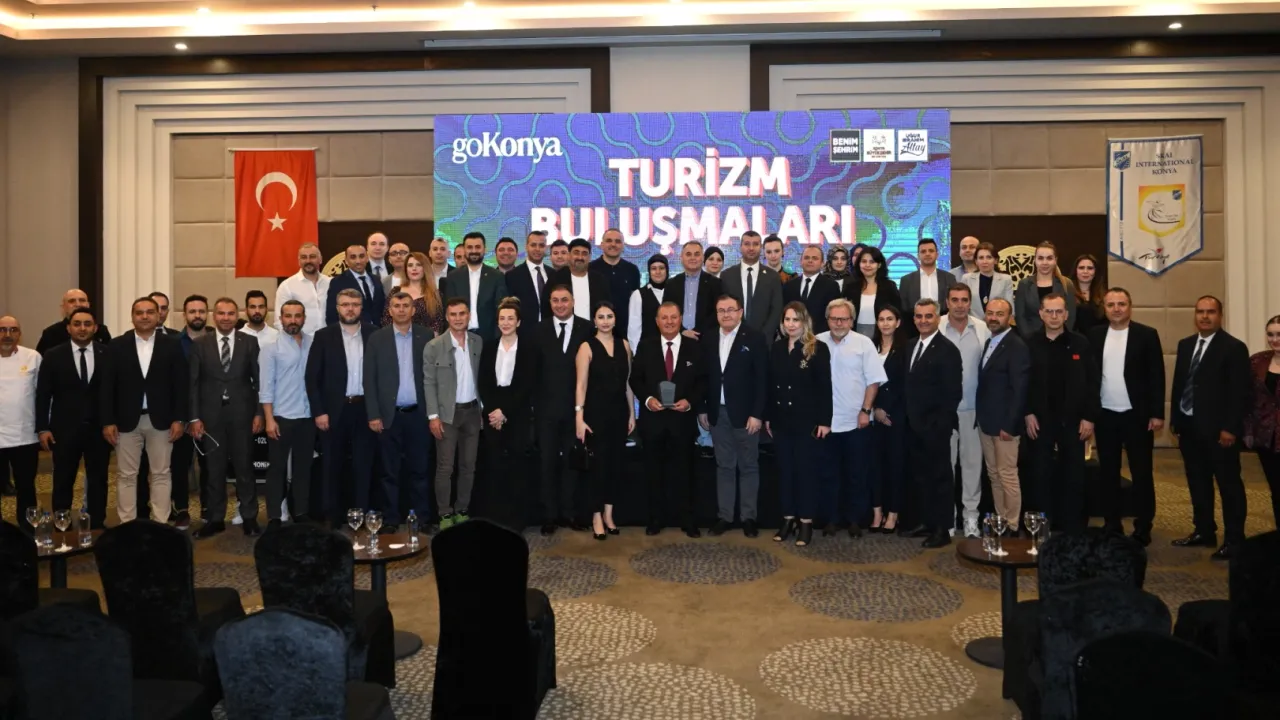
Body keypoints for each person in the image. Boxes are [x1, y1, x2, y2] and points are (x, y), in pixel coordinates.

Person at [1169, 295, 1250, 560]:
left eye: (1211, 312)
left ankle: (1235, 540)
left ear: (1220, 315)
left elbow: (1239, 393)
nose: (1205, 316)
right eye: (1200, 311)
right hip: (1189, 427)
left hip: (1219, 432)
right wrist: (1176, 420)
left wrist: (1230, 428)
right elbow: (1180, 384)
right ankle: (1204, 530)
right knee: (1197, 481)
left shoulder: (1234, 348)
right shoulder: (1186, 345)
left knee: (1228, 485)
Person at [100, 297, 188, 524]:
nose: (145, 316)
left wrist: (180, 418)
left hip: (162, 421)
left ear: (159, 315)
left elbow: (181, 385)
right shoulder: (117, 346)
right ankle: (127, 525)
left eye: (150, 312)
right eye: (139, 313)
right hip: (125, 422)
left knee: (161, 473)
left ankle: (160, 523)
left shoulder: (172, 345)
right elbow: (107, 386)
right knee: (126, 476)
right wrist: (107, 421)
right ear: (132, 317)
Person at [1088, 288, 1165, 545]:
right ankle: (1112, 524)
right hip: (1105, 415)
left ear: (1130, 307)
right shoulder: (1095, 335)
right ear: (1105, 308)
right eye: (1111, 305)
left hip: (1138, 416)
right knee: (1108, 473)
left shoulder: (1147, 335)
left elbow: (1156, 375)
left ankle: (1143, 526)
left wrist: (1157, 413)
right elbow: (1090, 376)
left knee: (1141, 473)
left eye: (1121, 304)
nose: (1116, 309)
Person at [1024, 293, 1098, 534]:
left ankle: (1073, 528)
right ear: (1041, 314)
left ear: (1066, 315)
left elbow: (1092, 382)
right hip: (1039, 422)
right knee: (1040, 476)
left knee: (1074, 476)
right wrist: (1027, 413)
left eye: (1058, 312)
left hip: (1074, 422)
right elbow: (1024, 383)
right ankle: (1042, 528)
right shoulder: (1029, 343)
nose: (1054, 316)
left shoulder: (1081, 344)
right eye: (1049, 311)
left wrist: (1089, 417)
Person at [189, 297, 263, 537]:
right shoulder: (200, 344)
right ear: (214, 315)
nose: (226, 318)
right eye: (221, 313)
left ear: (237, 315)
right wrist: (194, 418)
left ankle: (249, 517)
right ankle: (215, 519)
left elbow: (258, 380)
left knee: (245, 468)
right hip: (210, 417)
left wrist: (259, 413)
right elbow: (193, 383)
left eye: (231, 313)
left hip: (243, 415)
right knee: (214, 470)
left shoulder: (249, 342)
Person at [630, 301, 704, 537]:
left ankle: (687, 520)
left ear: (681, 319)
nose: (669, 322)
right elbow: (635, 379)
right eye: (664, 317)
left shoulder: (694, 347)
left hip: (682, 422)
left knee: (685, 473)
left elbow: (703, 381)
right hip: (653, 421)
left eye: (673, 317)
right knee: (653, 474)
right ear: (657, 321)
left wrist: (690, 401)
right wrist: (648, 399)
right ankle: (655, 519)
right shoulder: (646, 346)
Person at [305, 289, 378, 526]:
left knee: (363, 465)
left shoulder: (374, 334)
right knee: (331, 464)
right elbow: (312, 378)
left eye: (355, 304)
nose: (350, 308)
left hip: (365, 409)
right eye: (345, 304)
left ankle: (363, 514)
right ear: (337, 308)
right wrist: (319, 411)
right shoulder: (323, 336)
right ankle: (333, 516)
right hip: (333, 411)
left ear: (361, 307)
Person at [699, 295, 768, 537]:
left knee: (749, 466)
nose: (726, 314)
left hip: (746, 415)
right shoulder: (708, 338)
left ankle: (748, 518)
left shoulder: (755, 338)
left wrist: (757, 414)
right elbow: (703, 377)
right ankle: (725, 517)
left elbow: (762, 379)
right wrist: (702, 408)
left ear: (740, 312)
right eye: (721, 310)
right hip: (717, 414)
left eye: (731, 310)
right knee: (724, 466)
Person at [365, 292, 433, 534]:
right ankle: (391, 519)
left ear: (413, 310)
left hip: (419, 415)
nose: (402, 309)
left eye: (406, 305)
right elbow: (369, 380)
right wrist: (373, 414)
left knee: (420, 470)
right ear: (390, 310)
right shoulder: (377, 338)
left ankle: (422, 518)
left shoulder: (426, 336)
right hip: (388, 416)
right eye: (397, 305)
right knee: (389, 471)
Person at [816, 298, 885, 538]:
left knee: (857, 474)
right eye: (834, 318)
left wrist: (866, 411)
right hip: (826, 423)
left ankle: (855, 520)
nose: (839, 323)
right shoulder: (816, 342)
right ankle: (832, 519)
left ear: (852, 320)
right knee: (828, 474)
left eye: (843, 319)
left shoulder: (864, 343)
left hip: (857, 422)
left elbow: (873, 380)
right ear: (827, 319)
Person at [35, 308, 111, 526]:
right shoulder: (53, 355)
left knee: (99, 480)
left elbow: (114, 391)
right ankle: (62, 524)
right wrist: (43, 427)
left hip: (99, 430)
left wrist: (112, 422)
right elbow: (43, 395)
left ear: (95, 328)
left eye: (87, 324)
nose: (82, 328)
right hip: (64, 430)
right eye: (77, 324)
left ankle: (97, 525)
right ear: (68, 328)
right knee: (63, 479)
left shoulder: (107, 353)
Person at [768, 302, 833, 546]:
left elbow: (825, 387)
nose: (791, 324)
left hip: (807, 422)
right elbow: (770, 384)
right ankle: (788, 519)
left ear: (805, 322)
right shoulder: (777, 347)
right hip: (781, 420)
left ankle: (805, 521)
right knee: (785, 472)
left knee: (806, 473)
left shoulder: (817, 348)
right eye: (787, 319)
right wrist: (768, 416)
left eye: (796, 320)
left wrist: (824, 421)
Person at [902, 300, 963, 548]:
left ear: (938, 318)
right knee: (921, 477)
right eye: (919, 316)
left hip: (935, 427)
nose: (923, 321)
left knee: (940, 479)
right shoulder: (910, 345)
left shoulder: (948, 350)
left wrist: (939, 424)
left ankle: (942, 529)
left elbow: (953, 393)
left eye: (928, 316)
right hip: (912, 426)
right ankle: (927, 521)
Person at [535, 285, 593, 534]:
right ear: (550, 303)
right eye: (555, 300)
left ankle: (569, 513)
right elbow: (533, 370)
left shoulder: (587, 328)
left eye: (564, 300)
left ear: (573, 301)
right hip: (545, 410)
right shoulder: (538, 330)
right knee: (547, 463)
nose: (560, 305)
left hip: (576, 410)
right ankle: (549, 515)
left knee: (572, 463)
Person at [574, 301, 635, 540]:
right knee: (597, 468)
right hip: (595, 415)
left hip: (619, 414)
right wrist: (579, 417)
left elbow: (628, 383)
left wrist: (632, 413)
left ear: (615, 319)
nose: (606, 321)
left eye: (610, 316)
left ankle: (609, 514)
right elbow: (581, 385)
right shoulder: (586, 347)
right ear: (594, 320)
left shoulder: (625, 345)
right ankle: (596, 516)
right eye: (601, 316)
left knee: (615, 466)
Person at [478, 297, 539, 530]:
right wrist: (494, 411)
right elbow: (484, 382)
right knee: (495, 467)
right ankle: (496, 518)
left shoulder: (528, 348)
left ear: (519, 322)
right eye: (502, 318)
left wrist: (505, 412)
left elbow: (527, 384)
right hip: (492, 413)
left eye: (510, 318)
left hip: (517, 413)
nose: (506, 322)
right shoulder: (489, 346)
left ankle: (516, 519)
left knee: (517, 468)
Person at [424, 298, 483, 530]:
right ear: (447, 317)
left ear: (469, 316)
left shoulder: (478, 342)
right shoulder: (434, 346)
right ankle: (444, 513)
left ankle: (462, 509)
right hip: (447, 416)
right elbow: (428, 383)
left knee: (469, 465)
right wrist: (433, 416)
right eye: (453, 314)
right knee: (445, 467)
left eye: (462, 313)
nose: (458, 318)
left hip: (472, 413)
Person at [258, 300, 316, 528]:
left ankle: (300, 511)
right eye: (288, 316)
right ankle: (274, 515)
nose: (293, 320)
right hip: (281, 417)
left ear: (304, 318)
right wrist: (269, 419)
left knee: (303, 468)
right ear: (281, 319)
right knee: (277, 469)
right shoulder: (271, 348)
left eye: (297, 316)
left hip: (307, 416)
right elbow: (265, 386)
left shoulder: (313, 343)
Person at [975, 298, 1030, 536]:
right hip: (987, 423)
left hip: (1005, 426)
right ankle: (1001, 521)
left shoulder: (1016, 346)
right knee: (994, 475)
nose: (994, 318)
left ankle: (1013, 525)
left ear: (1010, 317)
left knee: (1007, 475)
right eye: (990, 313)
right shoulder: (991, 341)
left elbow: (1020, 389)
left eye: (1000, 314)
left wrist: (1009, 424)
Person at [941, 284, 991, 536]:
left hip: (973, 410)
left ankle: (971, 517)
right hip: (944, 412)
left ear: (970, 303)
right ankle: (947, 518)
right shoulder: (937, 327)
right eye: (955, 300)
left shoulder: (982, 328)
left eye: (964, 300)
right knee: (945, 468)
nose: (959, 305)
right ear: (947, 302)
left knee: (972, 467)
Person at [0, 316, 41, 530]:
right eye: (2, 330)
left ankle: (27, 531)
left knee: (26, 486)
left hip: (25, 435)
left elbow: (44, 395)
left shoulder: (32, 357)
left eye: (13, 330)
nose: (7, 335)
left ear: (20, 333)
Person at [871, 305, 908, 534]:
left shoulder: (905, 349)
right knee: (875, 466)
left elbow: (904, 384)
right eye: (881, 319)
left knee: (895, 465)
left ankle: (893, 513)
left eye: (890, 319)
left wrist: (886, 410)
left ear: (898, 322)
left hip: (896, 417)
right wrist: (874, 408)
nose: (885, 323)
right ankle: (877, 512)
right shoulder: (870, 346)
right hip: (872, 416)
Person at [1243, 315, 1280, 526]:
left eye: (1279, 335)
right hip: (1266, 437)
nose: (1275, 340)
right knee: (1276, 489)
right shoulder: (1257, 361)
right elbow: (1248, 399)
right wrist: (1248, 430)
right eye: (1270, 334)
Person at [442, 232, 508, 342]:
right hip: (460, 336)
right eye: (469, 247)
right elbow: (448, 308)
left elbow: (501, 308)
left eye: (477, 247)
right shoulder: (453, 277)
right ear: (464, 250)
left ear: (484, 249)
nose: (474, 251)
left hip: (490, 338)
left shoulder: (496, 276)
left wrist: (498, 335)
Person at [721, 230, 783, 347]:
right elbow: (723, 308)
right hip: (732, 340)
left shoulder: (773, 276)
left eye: (755, 244)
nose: (751, 248)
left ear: (761, 248)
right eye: (747, 244)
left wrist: (764, 336)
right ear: (740, 247)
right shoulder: (727, 275)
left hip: (763, 342)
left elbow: (776, 309)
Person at [1015, 241, 1077, 336]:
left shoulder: (1067, 284)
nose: (1045, 262)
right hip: (1031, 339)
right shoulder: (1024, 284)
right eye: (1040, 258)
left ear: (1055, 260)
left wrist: (1061, 338)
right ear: (1035, 260)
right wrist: (1030, 338)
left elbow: (1071, 316)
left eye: (1049, 258)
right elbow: (1020, 317)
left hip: (1061, 339)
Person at [898, 239, 958, 336]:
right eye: (923, 251)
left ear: (937, 254)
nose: (927, 254)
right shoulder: (906, 280)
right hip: (914, 332)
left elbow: (953, 304)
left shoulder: (949, 278)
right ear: (918, 256)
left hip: (945, 330)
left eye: (931, 251)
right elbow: (904, 310)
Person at [666, 241, 724, 340]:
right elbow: (666, 311)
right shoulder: (671, 284)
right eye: (688, 254)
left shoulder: (715, 283)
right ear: (681, 258)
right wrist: (681, 331)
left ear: (703, 258)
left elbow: (718, 312)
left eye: (697, 254)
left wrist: (699, 333)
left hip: (706, 340)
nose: (692, 258)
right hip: (677, 338)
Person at [590, 228, 641, 337]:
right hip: (595, 331)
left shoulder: (632, 270)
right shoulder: (590, 269)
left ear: (623, 246)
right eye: (609, 240)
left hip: (625, 331)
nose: (613, 244)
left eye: (618, 241)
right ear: (602, 245)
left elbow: (635, 302)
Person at [547, 238, 610, 324]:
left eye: (584, 254)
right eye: (576, 253)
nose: (580, 257)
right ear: (569, 255)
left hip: (593, 329)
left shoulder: (599, 280)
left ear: (589, 257)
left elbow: (606, 307)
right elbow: (547, 307)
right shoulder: (556, 278)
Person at [783, 246, 842, 335]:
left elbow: (834, 315)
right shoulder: (789, 286)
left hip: (820, 337)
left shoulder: (831, 286)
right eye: (806, 258)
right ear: (800, 261)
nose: (810, 261)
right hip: (793, 336)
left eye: (815, 258)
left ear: (822, 263)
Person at [382, 251, 444, 335]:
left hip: (426, 340)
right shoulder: (395, 292)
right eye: (410, 265)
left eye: (418, 265)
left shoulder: (435, 294)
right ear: (406, 269)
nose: (414, 268)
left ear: (425, 268)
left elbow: (437, 324)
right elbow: (386, 319)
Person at [275, 243, 331, 335]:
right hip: (300, 341)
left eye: (312, 257)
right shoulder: (287, 286)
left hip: (329, 339)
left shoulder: (330, 283)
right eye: (304, 257)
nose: (308, 261)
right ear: (299, 261)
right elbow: (279, 321)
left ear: (320, 259)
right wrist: (293, 341)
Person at [326, 244, 386, 327]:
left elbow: (381, 308)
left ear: (367, 258)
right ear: (346, 261)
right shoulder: (337, 282)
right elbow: (332, 315)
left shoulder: (376, 279)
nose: (358, 261)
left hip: (377, 331)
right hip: (352, 331)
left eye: (361, 256)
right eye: (353, 257)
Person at [36, 288, 112, 353]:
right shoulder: (51, 333)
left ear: (88, 305)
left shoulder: (101, 331)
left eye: (82, 300)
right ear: (63, 307)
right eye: (72, 301)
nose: (78, 304)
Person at [849, 246, 902, 339]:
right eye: (864, 261)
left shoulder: (889, 287)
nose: (867, 265)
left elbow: (898, 313)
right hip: (854, 334)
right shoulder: (850, 287)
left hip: (883, 333)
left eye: (872, 262)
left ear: (879, 265)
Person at [505, 230, 551, 331]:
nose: (537, 249)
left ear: (546, 248)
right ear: (526, 247)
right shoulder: (513, 275)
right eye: (533, 245)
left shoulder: (553, 274)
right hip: (523, 332)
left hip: (550, 331)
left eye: (541, 245)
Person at [960, 242, 1015, 318]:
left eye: (989, 257)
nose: (985, 261)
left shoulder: (1006, 279)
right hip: (973, 322)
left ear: (996, 260)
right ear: (976, 261)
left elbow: (1010, 309)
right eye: (981, 258)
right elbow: (963, 305)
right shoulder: (966, 278)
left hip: (997, 322)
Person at [626, 255, 668, 352]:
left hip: (672, 351)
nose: (658, 272)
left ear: (667, 270)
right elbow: (634, 329)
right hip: (647, 351)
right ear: (649, 271)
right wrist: (637, 353)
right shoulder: (638, 294)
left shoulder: (675, 291)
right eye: (654, 268)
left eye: (661, 268)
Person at [1071, 254, 1106, 336]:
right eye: (1081, 268)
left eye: (1090, 268)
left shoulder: (1104, 296)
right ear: (1075, 271)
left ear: (1095, 271)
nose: (1085, 271)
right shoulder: (1066, 293)